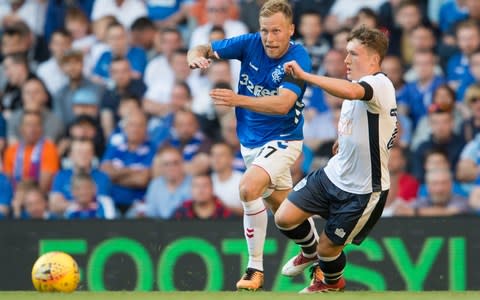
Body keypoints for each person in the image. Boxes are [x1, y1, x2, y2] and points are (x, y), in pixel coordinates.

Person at [187, 0, 317, 291]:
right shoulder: (250, 43)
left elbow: (284, 104)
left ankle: (254, 269)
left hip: (284, 140)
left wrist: (238, 99)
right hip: (251, 144)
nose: (269, 39)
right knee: (285, 214)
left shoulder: (298, 57)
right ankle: (313, 252)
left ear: (290, 30)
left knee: (247, 188)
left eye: (276, 31)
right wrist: (193, 56)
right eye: (265, 31)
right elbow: (203, 48)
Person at [275, 26, 397, 293]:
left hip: (363, 190)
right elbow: (365, 116)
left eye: (353, 53)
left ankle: (331, 283)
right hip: (333, 175)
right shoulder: (356, 86)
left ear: (374, 59)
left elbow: (355, 94)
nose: (346, 59)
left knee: (328, 248)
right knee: (284, 217)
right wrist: (343, 139)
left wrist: (306, 76)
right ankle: (308, 253)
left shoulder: (379, 83)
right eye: (346, 53)